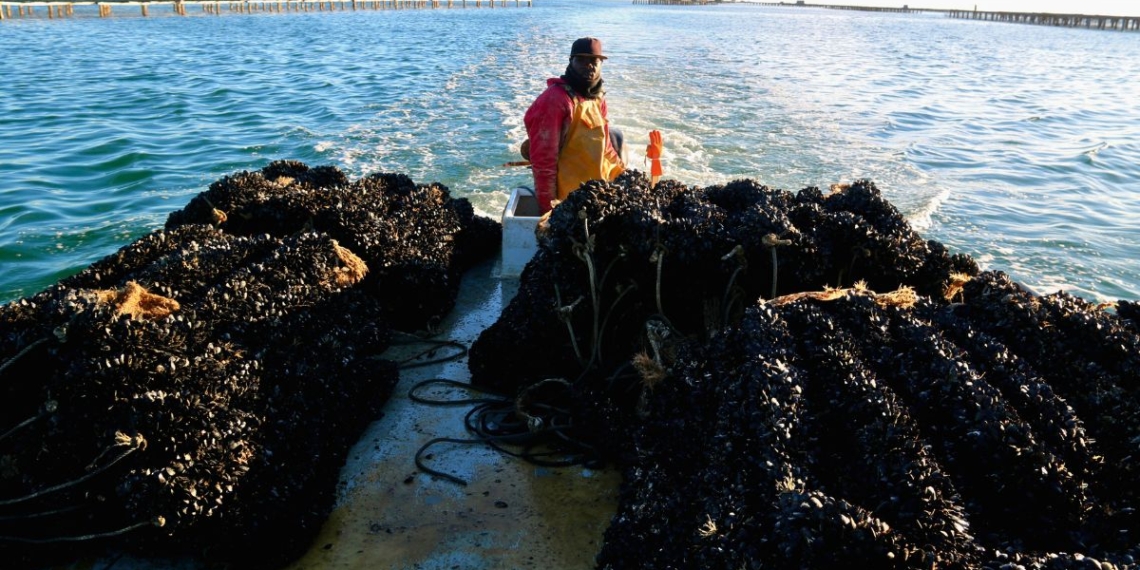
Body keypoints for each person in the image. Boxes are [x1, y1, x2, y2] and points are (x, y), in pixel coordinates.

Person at [523, 37, 626, 214]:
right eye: (581, 60)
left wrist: (625, 177)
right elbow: (543, 162)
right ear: (571, 62)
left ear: (601, 63)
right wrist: (549, 210)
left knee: (618, 137)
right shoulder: (556, 100)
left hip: (597, 193)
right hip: (569, 201)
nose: (589, 66)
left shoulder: (597, 97)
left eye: (594, 60)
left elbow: (606, 148)